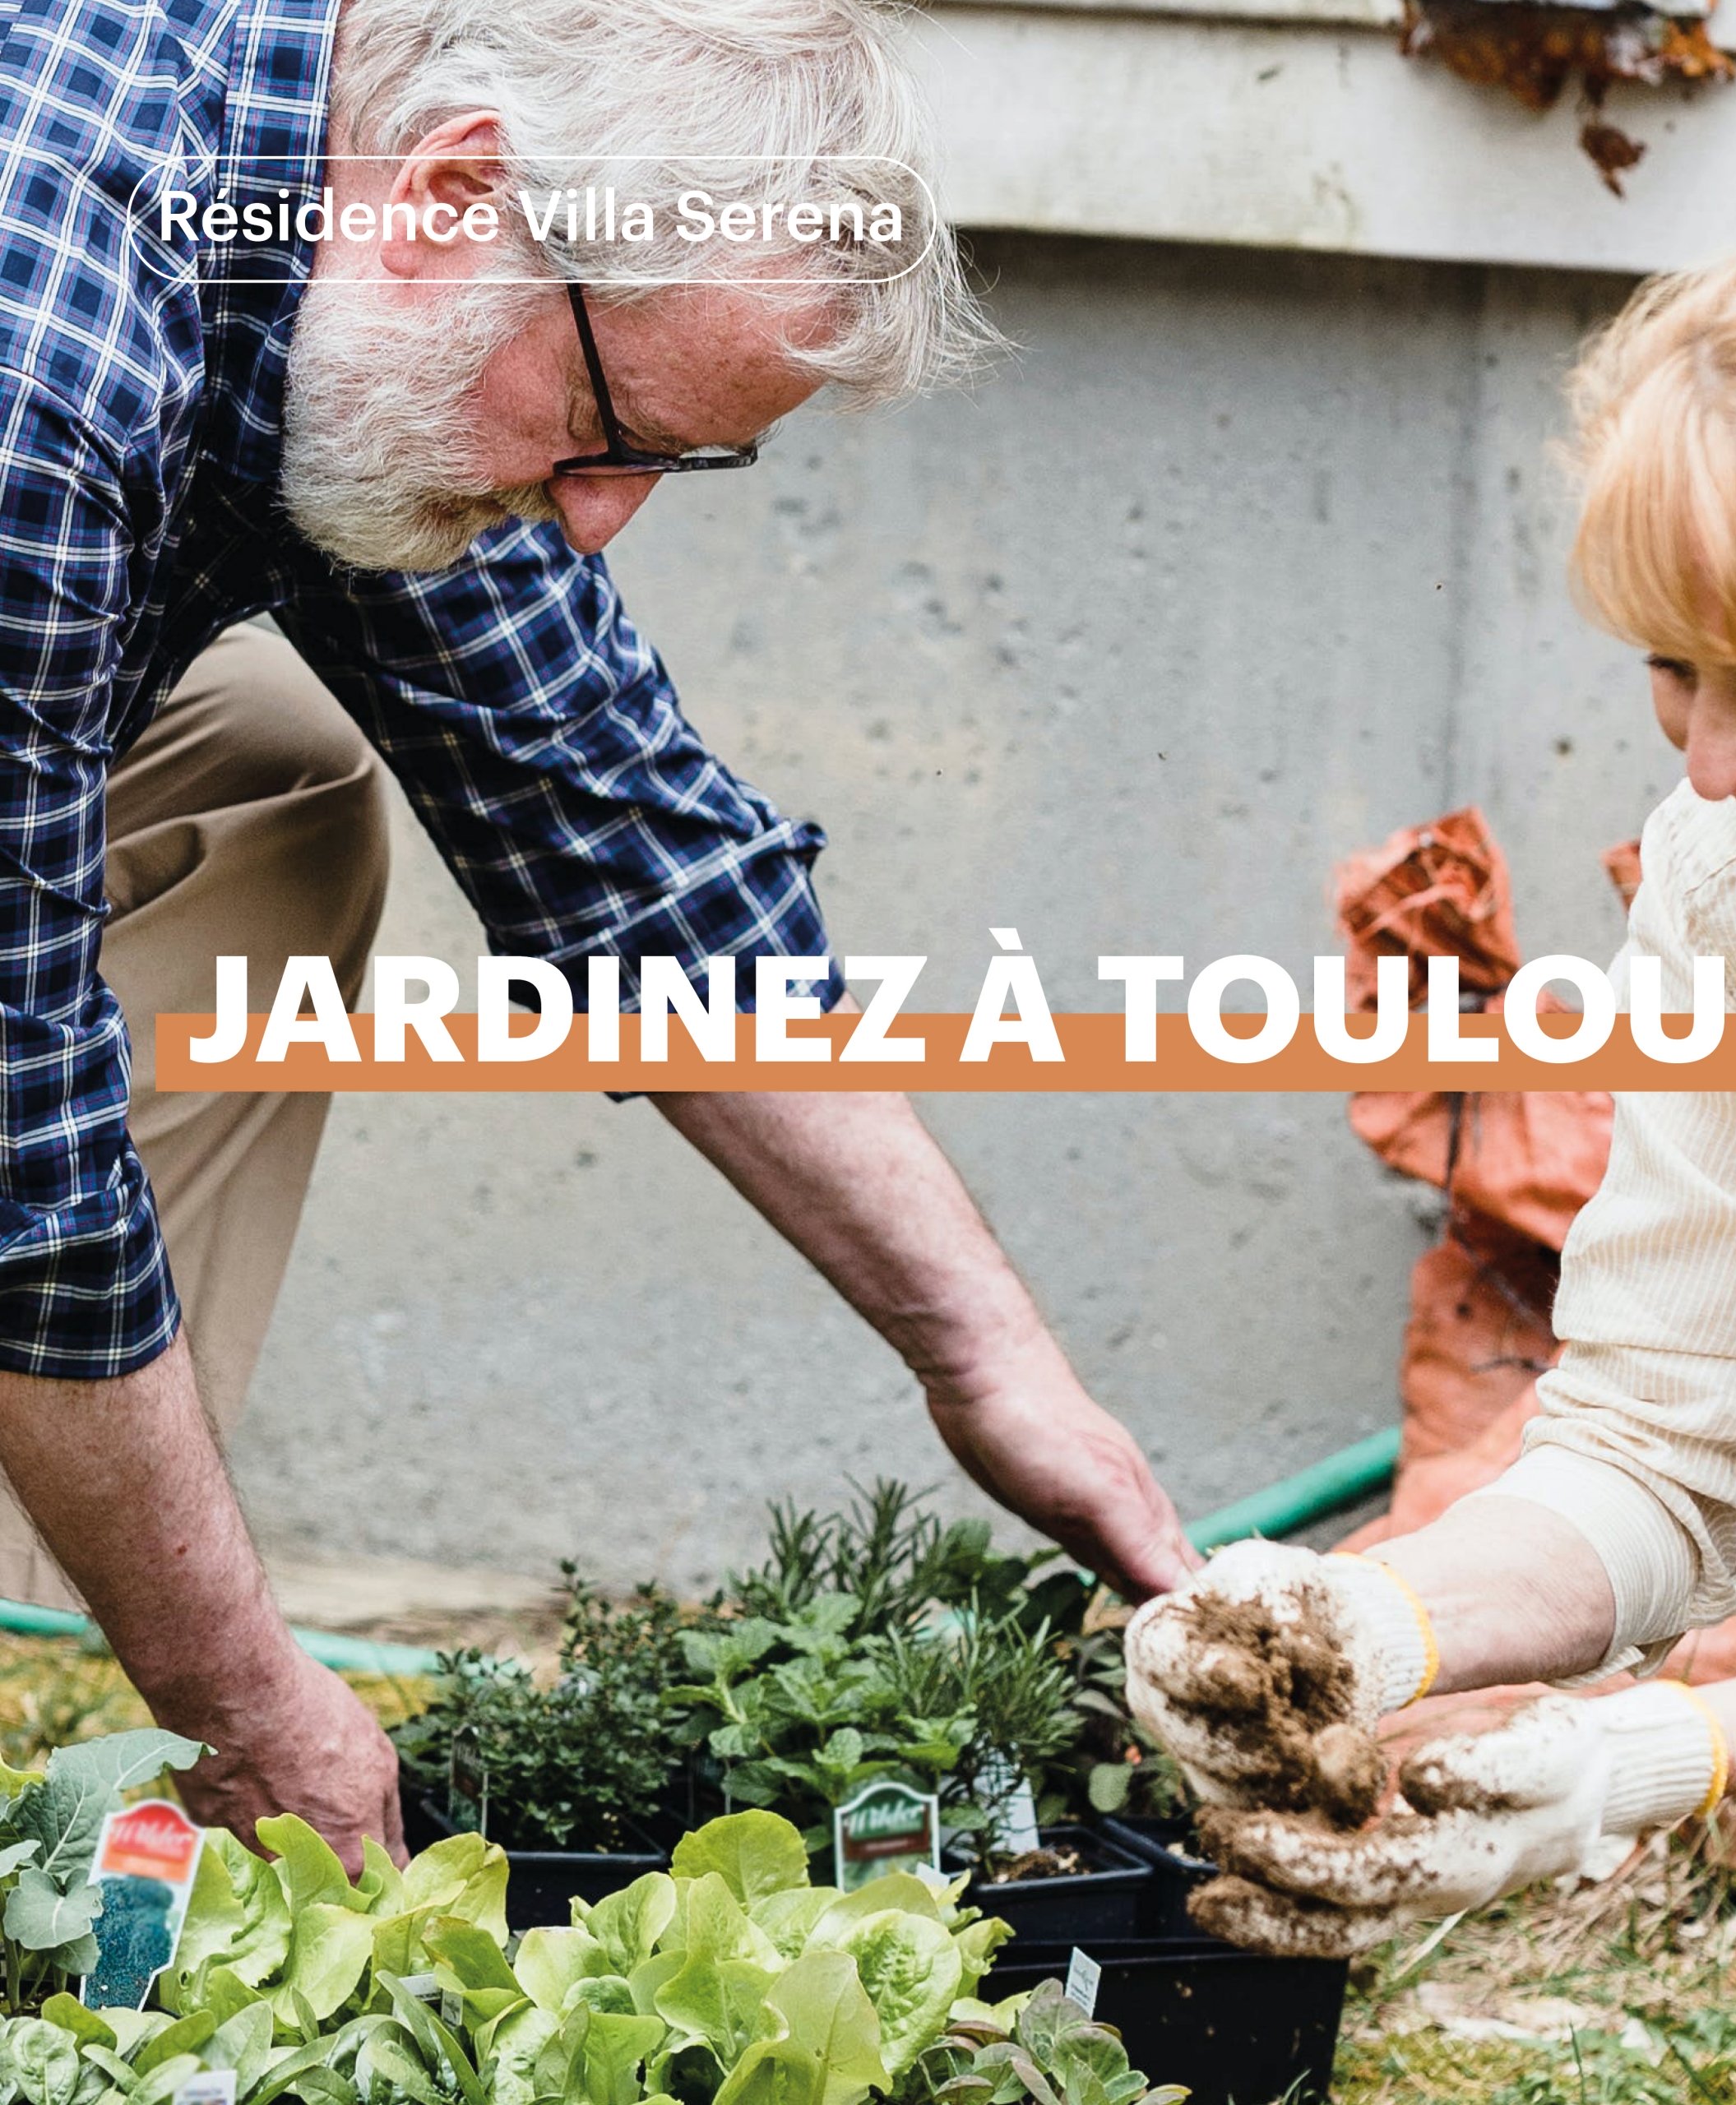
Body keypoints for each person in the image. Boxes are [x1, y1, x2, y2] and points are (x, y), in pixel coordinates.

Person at [0, 0, 1193, 1868]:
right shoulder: (43, 354)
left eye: (668, 467)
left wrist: (993, 1363)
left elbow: (616, 839)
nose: (602, 519)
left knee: (270, 778)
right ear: (458, 191)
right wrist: (240, 1697)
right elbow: (23, 1155)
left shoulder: (354, 235)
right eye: (604, 432)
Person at [1125, 218, 1736, 2098]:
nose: (1721, 764)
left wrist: (1666, 1751)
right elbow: (1656, 1440)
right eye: (1677, 668)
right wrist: (1369, 1615)